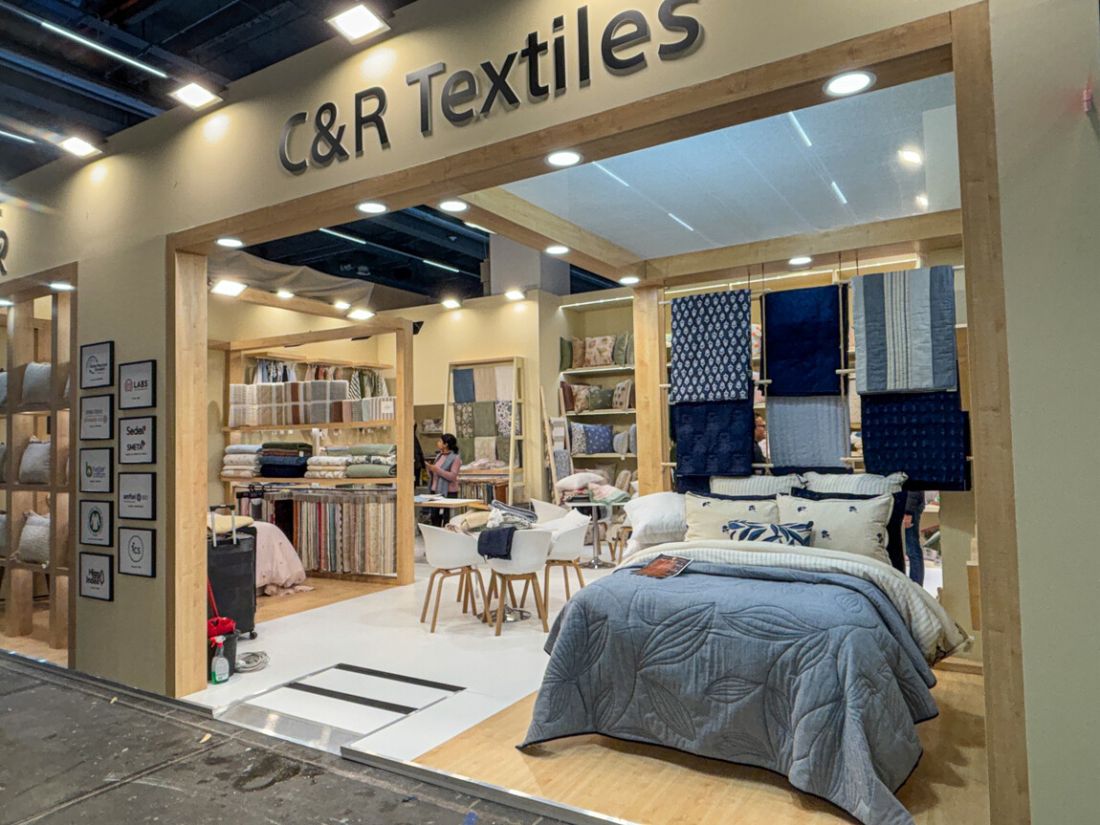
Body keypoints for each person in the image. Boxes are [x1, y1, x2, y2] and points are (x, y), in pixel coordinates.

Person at [426, 434, 462, 527]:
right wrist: (430, 469)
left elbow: (452, 476)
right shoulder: (439, 456)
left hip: (449, 492)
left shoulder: (455, 458)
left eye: (440, 441)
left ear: (446, 444)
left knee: (447, 518)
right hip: (435, 491)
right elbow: (435, 473)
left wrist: (436, 469)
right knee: (434, 517)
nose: (438, 443)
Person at [903, 491, 926, 585]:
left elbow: (914, 488)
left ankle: (916, 585)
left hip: (909, 506)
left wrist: (908, 511)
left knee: (912, 549)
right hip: (906, 505)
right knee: (911, 549)